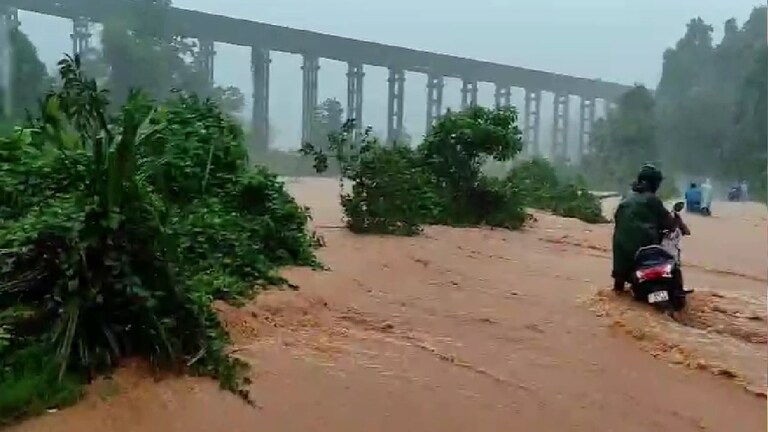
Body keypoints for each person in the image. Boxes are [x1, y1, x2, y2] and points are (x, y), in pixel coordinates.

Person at [611, 164, 676, 292]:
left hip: (621, 255)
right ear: (652, 183)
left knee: (620, 239)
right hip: (645, 252)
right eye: (657, 183)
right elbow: (668, 223)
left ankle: (618, 285)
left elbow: (617, 219)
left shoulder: (626, 197)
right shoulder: (652, 200)